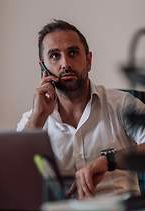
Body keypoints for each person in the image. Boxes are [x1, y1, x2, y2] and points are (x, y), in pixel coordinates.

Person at [17, 19, 145, 200]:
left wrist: (106, 161)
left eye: (73, 53)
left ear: (88, 60)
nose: (65, 64)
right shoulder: (32, 120)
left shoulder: (122, 104)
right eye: (55, 55)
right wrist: (38, 117)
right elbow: (15, 175)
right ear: (43, 68)